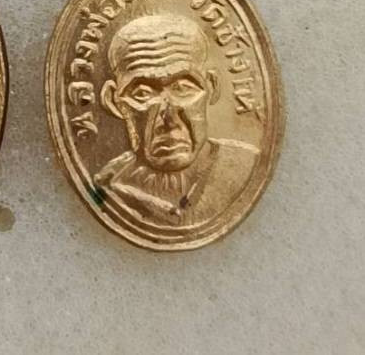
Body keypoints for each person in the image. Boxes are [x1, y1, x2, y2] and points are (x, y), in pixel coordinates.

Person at [95, 13, 258, 225]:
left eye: (183, 88)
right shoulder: (105, 186)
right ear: (113, 101)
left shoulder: (247, 169)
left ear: (212, 87)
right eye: (142, 94)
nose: (169, 119)